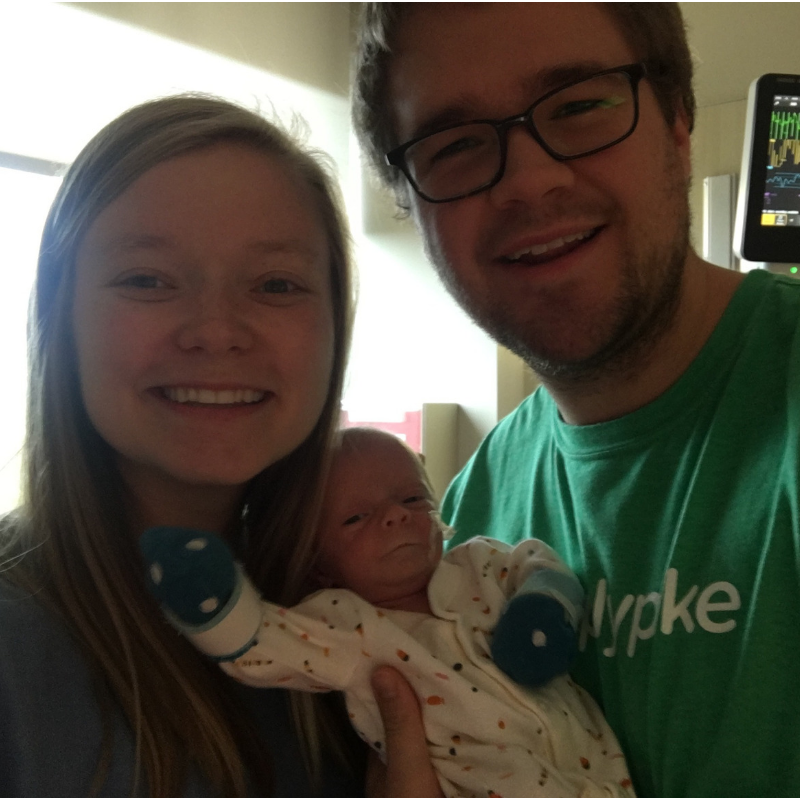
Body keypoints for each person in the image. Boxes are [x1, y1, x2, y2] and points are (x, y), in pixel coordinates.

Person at [352, 3, 800, 797]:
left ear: (678, 117)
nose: (529, 180)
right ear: (411, 206)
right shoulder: (472, 506)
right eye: (455, 146)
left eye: (581, 104)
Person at [0, 94, 431, 797]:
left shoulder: (383, 606)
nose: (216, 330)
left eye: (275, 284)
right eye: (148, 280)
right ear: (61, 315)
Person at [141, 427, 634, 798]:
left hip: (603, 772)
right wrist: (215, 600)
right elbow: (264, 643)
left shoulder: (480, 564)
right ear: (318, 568)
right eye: (357, 518)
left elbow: (539, 563)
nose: (396, 516)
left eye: (412, 498)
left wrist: (542, 608)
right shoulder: (348, 626)